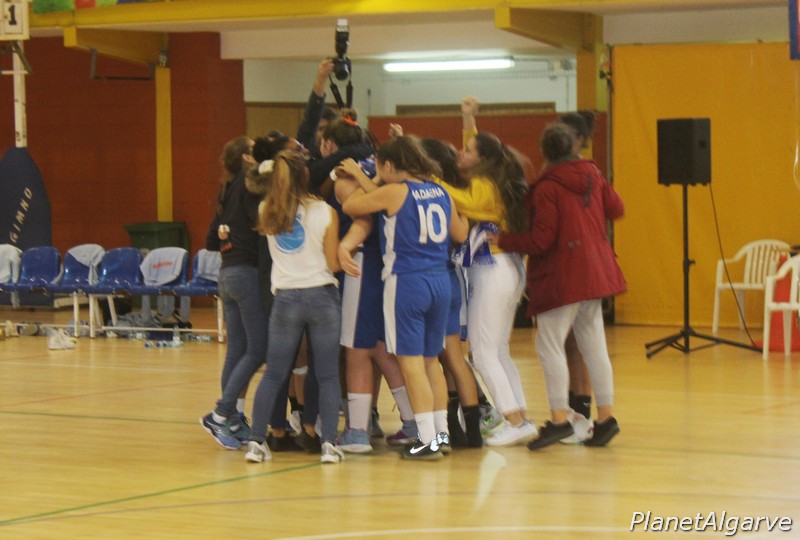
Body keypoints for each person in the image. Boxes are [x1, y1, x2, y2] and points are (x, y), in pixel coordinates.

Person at [493, 122, 625, 449]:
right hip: (596, 272)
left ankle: (559, 420)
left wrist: (505, 239)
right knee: (595, 347)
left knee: (549, 346)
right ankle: (605, 418)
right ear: (574, 147)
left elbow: (541, 240)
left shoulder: (548, 187)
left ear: (545, 151)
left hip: (563, 275)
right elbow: (617, 209)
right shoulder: (593, 175)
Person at [339, 136, 469, 460]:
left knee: (411, 364)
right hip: (440, 280)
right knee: (431, 362)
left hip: (407, 282)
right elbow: (460, 233)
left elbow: (351, 206)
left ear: (388, 165)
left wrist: (367, 178)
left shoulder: (395, 191)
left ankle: (425, 440)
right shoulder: (441, 192)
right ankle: (440, 435)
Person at [434, 96, 535, 447]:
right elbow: (475, 151)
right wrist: (468, 120)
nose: (461, 153)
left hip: (493, 270)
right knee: (499, 350)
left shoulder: (483, 185)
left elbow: (463, 201)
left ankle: (514, 420)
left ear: (481, 159)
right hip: (507, 268)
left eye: (468, 150)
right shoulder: (492, 177)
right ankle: (520, 417)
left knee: (482, 352)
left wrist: (428, 179)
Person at [244, 150, 345, 464]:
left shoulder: (266, 209)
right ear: (306, 175)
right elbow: (333, 263)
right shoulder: (325, 211)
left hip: (285, 298)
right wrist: (350, 249)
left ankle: (256, 443)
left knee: (274, 374)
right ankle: (328, 445)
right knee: (328, 375)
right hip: (321, 296)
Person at [200, 136, 268, 450]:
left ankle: (234, 420)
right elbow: (261, 221)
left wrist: (228, 233)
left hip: (226, 274)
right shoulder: (250, 187)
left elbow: (210, 241)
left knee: (237, 349)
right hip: (247, 274)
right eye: (254, 150)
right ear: (246, 158)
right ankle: (221, 413)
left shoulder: (225, 191)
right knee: (259, 349)